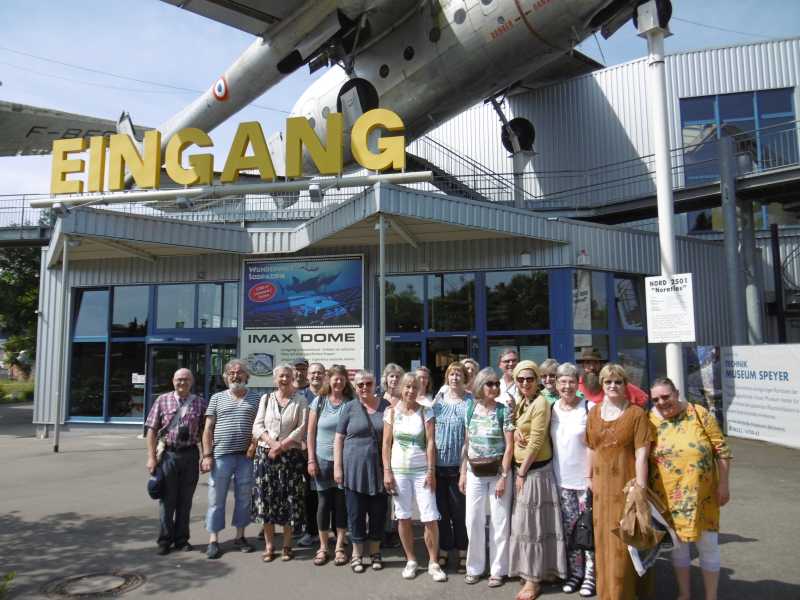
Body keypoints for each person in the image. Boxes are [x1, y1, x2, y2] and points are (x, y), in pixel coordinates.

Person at [648, 377, 732, 600]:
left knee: (708, 546)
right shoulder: (650, 421)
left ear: (676, 393)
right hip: (667, 497)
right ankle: (684, 594)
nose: (662, 402)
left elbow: (721, 450)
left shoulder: (699, 413)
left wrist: (724, 484)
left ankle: (711, 597)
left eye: (666, 396)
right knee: (679, 549)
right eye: (656, 399)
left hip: (703, 496)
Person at [585, 363, 652, 600]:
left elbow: (642, 455)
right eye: (608, 382)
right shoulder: (593, 413)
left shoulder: (636, 414)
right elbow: (591, 448)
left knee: (624, 547)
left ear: (625, 385)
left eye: (618, 381)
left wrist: (640, 490)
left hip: (626, 487)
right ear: (602, 385)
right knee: (604, 546)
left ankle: (624, 595)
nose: (612, 386)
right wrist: (588, 478)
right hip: (601, 490)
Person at [509, 360, 567, 600]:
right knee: (532, 525)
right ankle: (542, 571)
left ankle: (533, 581)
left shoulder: (541, 402)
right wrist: (517, 429)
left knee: (532, 526)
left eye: (529, 379)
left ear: (537, 380)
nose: (525, 383)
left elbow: (536, 441)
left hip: (534, 473)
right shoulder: (525, 401)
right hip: (526, 471)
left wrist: (521, 472)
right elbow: (517, 425)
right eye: (520, 379)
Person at [382, 373, 447, 582]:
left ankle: (433, 562)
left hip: (422, 473)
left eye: (414, 387)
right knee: (403, 516)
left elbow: (430, 442)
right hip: (399, 472)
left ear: (419, 389)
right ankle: (411, 560)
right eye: (407, 387)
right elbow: (385, 444)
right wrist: (387, 471)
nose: (410, 391)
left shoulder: (426, 411)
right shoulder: (390, 412)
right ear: (401, 388)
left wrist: (431, 470)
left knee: (429, 517)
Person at [458, 367, 514, 588]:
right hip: (474, 473)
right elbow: (467, 443)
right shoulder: (469, 408)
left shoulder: (503, 411)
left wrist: (504, 476)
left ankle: (498, 570)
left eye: (496, 384)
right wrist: (462, 472)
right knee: (472, 520)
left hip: (498, 473)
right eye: (490, 383)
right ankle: (475, 567)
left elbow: (509, 447)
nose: (494, 387)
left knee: (500, 522)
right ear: (480, 386)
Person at [202, 359, 261, 559]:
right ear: (226, 377)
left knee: (244, 498)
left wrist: (253, 445)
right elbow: (208, 429)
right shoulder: (217, 398)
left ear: (247, 377)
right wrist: (207, 455)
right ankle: (213, 540)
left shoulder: (256, 398)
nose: (236, 376)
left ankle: (240, 536)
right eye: (232, 373)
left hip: (246, 457)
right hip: (221, 457)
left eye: (240, 373)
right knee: (216, 499)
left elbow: (259, 426)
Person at [145, 368, 207, 555]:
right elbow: (151, 430)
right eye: (179, 379)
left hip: (190, 454)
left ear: (192, 382)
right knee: (167, 500)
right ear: (173, 381)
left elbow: (206, 432)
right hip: (168, 455)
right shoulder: (162, 400)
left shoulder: (200, 403)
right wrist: (151, 457)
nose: (182, 382)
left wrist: (206, 456)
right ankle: (164, 540)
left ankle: (181, 539)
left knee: (185, 500)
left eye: (186, 379)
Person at [251, 364, 309, 562]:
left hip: (289, 457)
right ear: (275, 379)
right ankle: (269, 546)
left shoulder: (300, 400)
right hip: (265, 456)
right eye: (281, 376)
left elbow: (301, 428)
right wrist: (271, 443)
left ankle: (286, 545)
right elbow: (257, 426)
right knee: (266, 500)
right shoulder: (265, 399)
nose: (284, 379)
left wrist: (281, 446)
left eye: (288, 376)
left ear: (293, 378)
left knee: (289, 500)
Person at [334, 370, 389, 573]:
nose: (364, 387)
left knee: (378, 513)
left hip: (380, 470)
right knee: (355, 514)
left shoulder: (386, 407)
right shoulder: (349, 407)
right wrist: (337, 467)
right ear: (355, 387)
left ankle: (375, 552)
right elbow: (338, 438)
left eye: (368, 383)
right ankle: (357, 554)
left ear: (375, 385)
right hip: (353, 470)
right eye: (360, 385)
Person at [550, 362, 595, 597]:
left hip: (585, 481)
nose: (566, 386)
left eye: (571, 381)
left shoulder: (589, 407)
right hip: (561, 480)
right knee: (569, 530)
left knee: (587, 529)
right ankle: (575, 572)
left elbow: (597, 445)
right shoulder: (552, 409)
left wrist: (591, 476)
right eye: (562, 381)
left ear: (577, 383)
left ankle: (590, 575)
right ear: (556, 384)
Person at [307, 364, 353, 567]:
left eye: (342, 378)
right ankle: (323, 547)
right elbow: (310, 434)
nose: (338, 381)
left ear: (345, 381)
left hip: (344, 462)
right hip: (322, 460)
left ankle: (340, 546)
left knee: (342, 505)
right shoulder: (319, 402)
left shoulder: (351, 403)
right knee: (324, 504)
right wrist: (311, 459)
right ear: (329, 380)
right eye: (335, 378)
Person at [431, 361, 470, 572]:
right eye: (451, 374)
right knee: (442, 512)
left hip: (459, 466)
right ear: (447, 378)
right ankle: (445, 549)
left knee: (460, 511)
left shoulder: (469, 402)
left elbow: (469, 437)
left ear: (465, 378)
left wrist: (464, 468)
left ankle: (463, 550)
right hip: (438, 466)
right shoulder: (438, 401)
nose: (454, 378)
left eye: (458, 374)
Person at [297, 360, 326, 547]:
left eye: (319, 373)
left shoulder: (330, 396)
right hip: (305, 452)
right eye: (313, 373)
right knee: (309, 494)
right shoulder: (300, 397)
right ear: (308, 376)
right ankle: (310, 531)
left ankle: (330, 530)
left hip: (327, 451)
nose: (316, 376)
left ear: (324, 376)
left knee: (330, 493)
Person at [577, 348, 648, 408]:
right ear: (583, 365)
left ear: (601, 365)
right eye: (588, 363)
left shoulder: (611, 381)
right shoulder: (577, 384)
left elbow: (642, 397)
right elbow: (576, 397)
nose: (592, 367)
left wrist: (629, 413)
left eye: (595, 363)